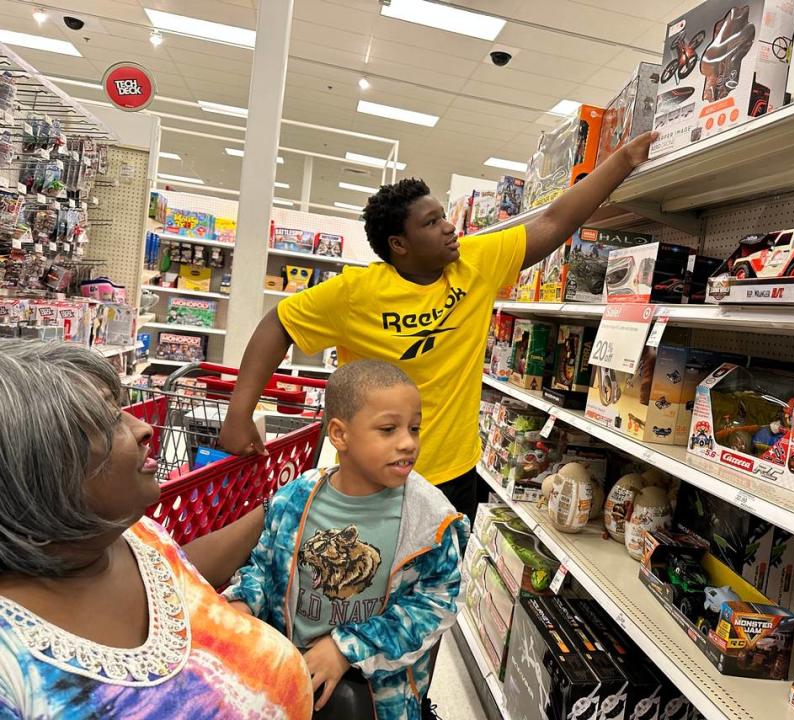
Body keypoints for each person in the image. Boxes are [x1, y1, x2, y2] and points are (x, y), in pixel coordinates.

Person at [219, 130, 658, 524]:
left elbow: (552, 221)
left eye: (443, 216)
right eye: (431, 222)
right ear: (399, 245)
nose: (449, 227)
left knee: (436, 600)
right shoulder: (356, 293)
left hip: (453, 476)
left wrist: (622, 160)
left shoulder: (474, 264)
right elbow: (277, 324)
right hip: (371, 479)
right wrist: (239, 415)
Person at [0, 340, 313, 719]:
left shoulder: (131, 534)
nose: (144, 428)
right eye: (110, 422)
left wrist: (278, 503)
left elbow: (182, 574)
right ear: (39, 470)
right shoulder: (12, 666)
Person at [224, 360, 467, 720]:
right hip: (289, 675)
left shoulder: (430, 520)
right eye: (388, 429)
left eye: (414, 428)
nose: (408, 443)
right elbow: (265, 566)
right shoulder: (296, 498)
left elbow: (433, 605)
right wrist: (245, 602)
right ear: (340, 435)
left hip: (376, 696)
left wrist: (345, 647)